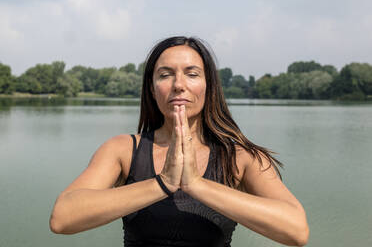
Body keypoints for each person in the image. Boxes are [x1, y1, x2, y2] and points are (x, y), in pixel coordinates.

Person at [49, 36, 309, 246]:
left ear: (209, 86)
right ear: (152, 89)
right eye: (165, 75)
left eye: (192, 74)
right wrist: (163, 183)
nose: (178, 85)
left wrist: (196, 184)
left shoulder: (239, 157)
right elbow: (62, 218)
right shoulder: (123, 150)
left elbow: (296, 230)